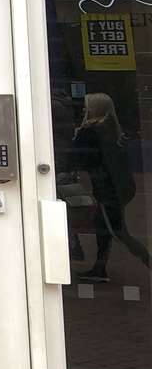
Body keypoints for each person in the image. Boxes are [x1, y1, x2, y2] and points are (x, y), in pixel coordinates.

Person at [70, 92, 148, 282]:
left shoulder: (92, 132)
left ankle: (145, 261)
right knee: (104, 228)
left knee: (119, 232)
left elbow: (79, 159)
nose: (83, 109)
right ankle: (99, 267)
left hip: (106, 190)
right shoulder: (113, 130)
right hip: (117, 188)